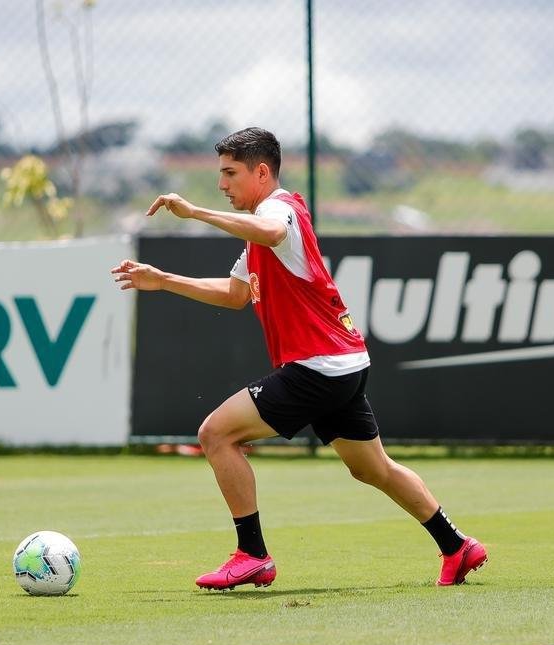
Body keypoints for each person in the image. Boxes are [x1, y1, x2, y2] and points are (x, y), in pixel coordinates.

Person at [111, 127, 486, 589]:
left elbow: (270, 229)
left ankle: (252, 555)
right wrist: (162, 279)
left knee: (216, 434)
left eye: (230, 173)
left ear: (261, 172)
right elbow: (234, 294)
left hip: (318, 368)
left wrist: (194, 213)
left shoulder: (278, 210)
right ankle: (457, 546)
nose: (222, 184)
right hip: (344, 364)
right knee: (372, 468)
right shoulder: (262, 230)